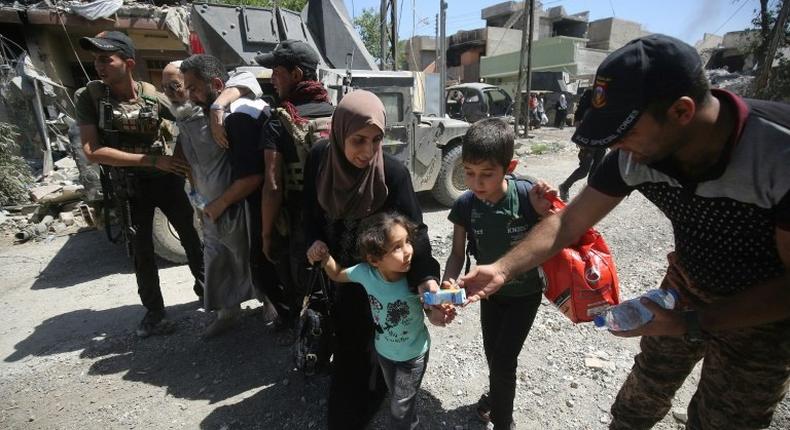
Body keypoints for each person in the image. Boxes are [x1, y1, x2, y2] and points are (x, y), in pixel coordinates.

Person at [460, 34, 790, 429]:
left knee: (725, 420)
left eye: (625, 133)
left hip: (763, 313)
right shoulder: (634, 155)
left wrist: (693, 323)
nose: (617, 146)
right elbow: (568, 222)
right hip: (684, 287)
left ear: (682, 111)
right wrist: (502, 269)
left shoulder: (777, 155)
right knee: (639, 401)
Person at [303, 90, 444, 430]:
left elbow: (416, 232)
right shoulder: (320, 159)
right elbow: (307, 211)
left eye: (376, 139)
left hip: (383, 282)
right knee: (350, 349)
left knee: (382, 342)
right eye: (358, 140)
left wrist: (426, 280)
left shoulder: (392, 175)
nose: (368, 152)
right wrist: (313, 242)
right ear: (339, 134)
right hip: (344, 276)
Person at [75, 31, 204, 338]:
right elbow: (93, 152)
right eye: (96, 59)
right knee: (142, 250)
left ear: (128, 62)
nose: (99, 66)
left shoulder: (151, 94)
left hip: (167, 180)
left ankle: (208, 292)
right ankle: (155, 313)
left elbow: (186, 122)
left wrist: (177, 159)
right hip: (130, 185)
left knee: (191, 238)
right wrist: (151, 160)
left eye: (107, 59)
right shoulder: (90, 97)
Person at [442, 118, 553, 430]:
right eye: (469, 173)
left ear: (509, 166)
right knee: (495, 357)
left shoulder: (528, 195)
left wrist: (548, 209)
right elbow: (456, 254)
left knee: (504, 361)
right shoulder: (465, 205)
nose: (476, 183)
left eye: (486, 174)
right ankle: (496, 397)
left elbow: (557, 233)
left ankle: (504, 423)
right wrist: (448, 285)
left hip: (524, 295)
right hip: (489, 296)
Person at [161, 56, 273, 337]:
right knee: (216, 258)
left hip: (236, 201)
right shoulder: (183, 118)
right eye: (167, 88)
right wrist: (198, 201)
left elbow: (246, 78)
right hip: (208, 205)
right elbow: (191, 167)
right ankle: (228, 311)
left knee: (248, 252)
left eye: (178, 86)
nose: (174, 93)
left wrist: (216, 107)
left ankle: (270, 305)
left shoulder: (222, 114)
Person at [313, 212, 451, 430]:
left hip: (413, 355)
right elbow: (338, 274)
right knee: (399, 396)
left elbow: (433, 316)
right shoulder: (365, 274)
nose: (407, 251)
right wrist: (325, 257)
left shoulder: (414, 282)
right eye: (397, 247)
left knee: (400, 409)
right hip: (384, 353)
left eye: (407, 242)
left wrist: (440, 315)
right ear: (374, 259)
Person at [253, 40, 335, 332]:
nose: (272, 79)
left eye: (277, 72)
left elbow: (273, 185)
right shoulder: (338, 114)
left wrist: (266, 234)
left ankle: (302, 332)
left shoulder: (278, 122)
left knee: (298, 280)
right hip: (338, 213)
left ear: (297, 75)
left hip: (300, 219)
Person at [558, 88, 606, 201]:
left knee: (596, 170)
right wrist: (579, 138)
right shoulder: (590, 93)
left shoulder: (613, 95)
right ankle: (565, 186)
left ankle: (590, 196)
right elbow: (579, 116)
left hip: (603, 138)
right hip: (588, 137)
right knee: (584, 169)